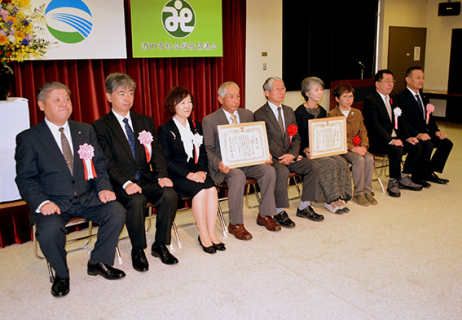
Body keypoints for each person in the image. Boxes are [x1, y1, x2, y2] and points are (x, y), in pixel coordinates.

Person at [15, 82, 126, 297]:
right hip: (53, 202)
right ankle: (62, 274)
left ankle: (98, 261)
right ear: (41, 105)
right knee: (48, 231)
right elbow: (25, 178)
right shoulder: (29, 138)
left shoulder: (85, 129)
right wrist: (42, 203)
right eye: (56, 100)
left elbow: (100, 164)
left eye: (67, 99)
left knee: (116, 211)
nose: (64, 104)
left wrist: (103, 188)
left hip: (87, 197)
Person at [92, 73, 178, 271]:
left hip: (145, 178)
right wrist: (125, 183)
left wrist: (162, 175)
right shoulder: (100, 126)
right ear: (108, 97)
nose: (127, 98)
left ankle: (160, 244)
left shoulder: (144, 121)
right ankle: (138, 249)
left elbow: (156, 151)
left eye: (130, 93)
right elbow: (107, 161)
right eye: (121, 93)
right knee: (137, 201)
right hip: (120, 183)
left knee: (169, 194)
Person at [203, 81, 282, 240]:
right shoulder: (210, 120)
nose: (236, 100)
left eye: (238, 96)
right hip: (225, 166)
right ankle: (236, 223)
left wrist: (264, 154)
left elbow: (256, 139)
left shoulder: (247, 115)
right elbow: (208, 150)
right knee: (237, 175)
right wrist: (218, 163)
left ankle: (265, 215)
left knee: (269, 170)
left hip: (247, 162)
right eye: (231, 96)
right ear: (220, 99)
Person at [158, 86, 224, 254]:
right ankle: (203, 235)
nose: (187, 106)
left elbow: (202, 153)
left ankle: (212, 232)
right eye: (182, 102)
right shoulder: (165, 129)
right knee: (201, 192)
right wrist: (189, 175)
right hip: (178, 175)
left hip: (197, 172)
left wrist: (202, 171)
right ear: (173, 105)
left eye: (189, 102)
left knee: (212, 189)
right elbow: (166, 161)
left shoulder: (196, 125)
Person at [254, 77, 323, 222]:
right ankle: (279, 210)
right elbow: (265, 140)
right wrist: (284, 155)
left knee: (314, 165)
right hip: (272, 157)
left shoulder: (289, 111)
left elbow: (296, 136)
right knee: (282, 170)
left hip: (290, 155)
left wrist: (292, 154)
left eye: (283, 88)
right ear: (267, 93)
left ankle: (304, 206)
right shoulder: (259, 114)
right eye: (277, 89)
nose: (281, 92)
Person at [294, 77, 352, 213]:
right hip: (306, 151)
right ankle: (329, 200)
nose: (320, 93)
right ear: (307, 93)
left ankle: (339, 197)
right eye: (316, 90)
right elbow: (296, 137)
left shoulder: (322, 111)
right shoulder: (299, 112)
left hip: (321, 149)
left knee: (341, 161)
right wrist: (305, 149)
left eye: (321, 89)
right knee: (329, 164)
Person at [363, 69, 423, 197]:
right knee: (396, 149)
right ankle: (393, 181)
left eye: (392, 81)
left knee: (416, 146)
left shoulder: (393, 99)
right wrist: (390, 140)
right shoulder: (371, 100)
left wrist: (407, 137)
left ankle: (404, 177)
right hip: (378, 140)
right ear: (377, 84)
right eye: (387, 81)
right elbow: (374, 125)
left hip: (395, 137)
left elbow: (401, 121)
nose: (390, 84)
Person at [396, 66, 452, 186]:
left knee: (446, 143)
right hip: (410, 133)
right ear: (408, 79)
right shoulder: (401, 97)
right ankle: (417, 176)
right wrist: (418, 134)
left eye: (423, 78)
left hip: (424, 132)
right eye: (418, 78)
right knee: (428, 144)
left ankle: (428, 172)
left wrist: (436, 131)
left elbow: (429, 118)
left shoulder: (424, 97)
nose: (421, 80)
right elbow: (402, 121)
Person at [328, 83, 377, 206]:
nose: (349, 99)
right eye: (345, 96)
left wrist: (364, 146)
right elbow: (337, 135)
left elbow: (363, 130)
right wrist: (353, 148)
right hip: (343, 148)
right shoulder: (332, 114)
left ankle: (367, 190)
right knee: (359, 160)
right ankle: (358, 192)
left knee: (369, 158)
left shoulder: (357, 113)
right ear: (337, 99)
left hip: (359, 147)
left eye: (351, 96)